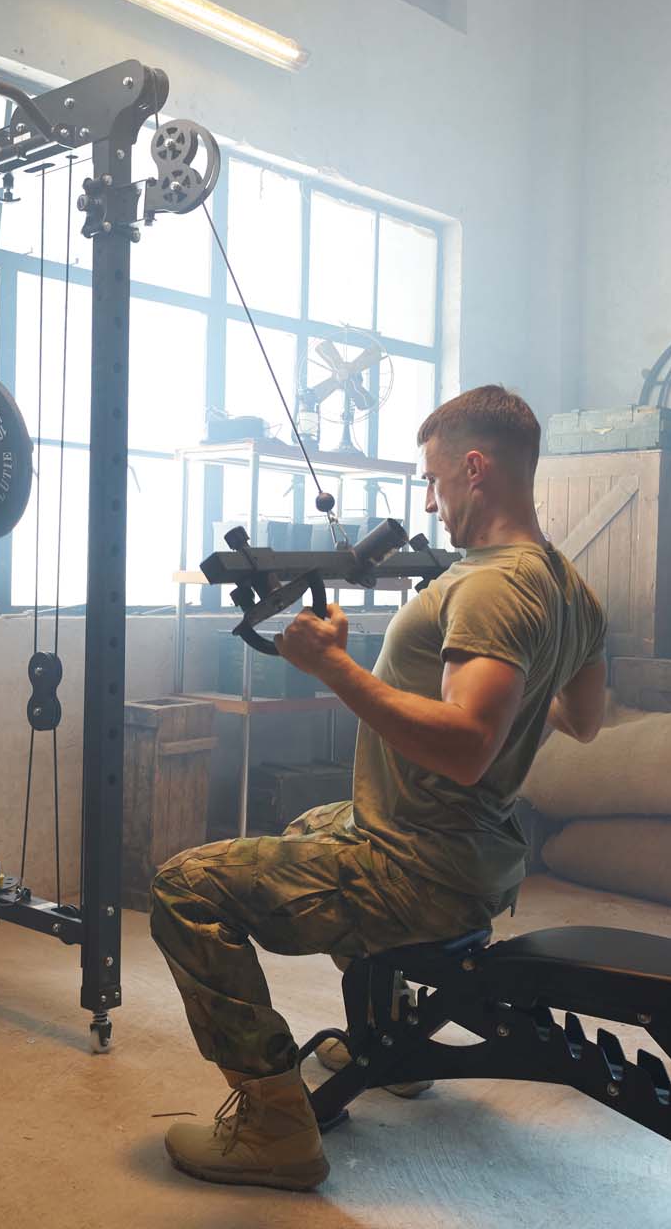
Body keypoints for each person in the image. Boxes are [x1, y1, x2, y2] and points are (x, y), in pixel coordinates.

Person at [150, 384, 609, 1191]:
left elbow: (468, 748)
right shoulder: (569, 586)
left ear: (475, 468)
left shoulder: (494, 586)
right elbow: (584, 716)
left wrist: (334, 669)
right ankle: (390, 1044)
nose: (429, 503)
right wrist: (495, 693)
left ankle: (275, 1129)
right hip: (471, 853)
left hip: (418, 868)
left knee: (185, 887)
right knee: (307, 827)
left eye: (433, 481)